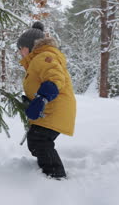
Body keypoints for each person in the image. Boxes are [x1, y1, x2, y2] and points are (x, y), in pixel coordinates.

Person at [17, 21, 77, 179]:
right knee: (36, 141)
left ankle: (56, 175)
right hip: (49, 109)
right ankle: (48, 171)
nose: (19, 52)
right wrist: (32, 99)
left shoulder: (44, 57)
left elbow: (55, 78)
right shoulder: (37, 60)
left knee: (40, 140)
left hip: (54, 109)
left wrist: (42, 98)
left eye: (21, 48)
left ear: (30, 47)